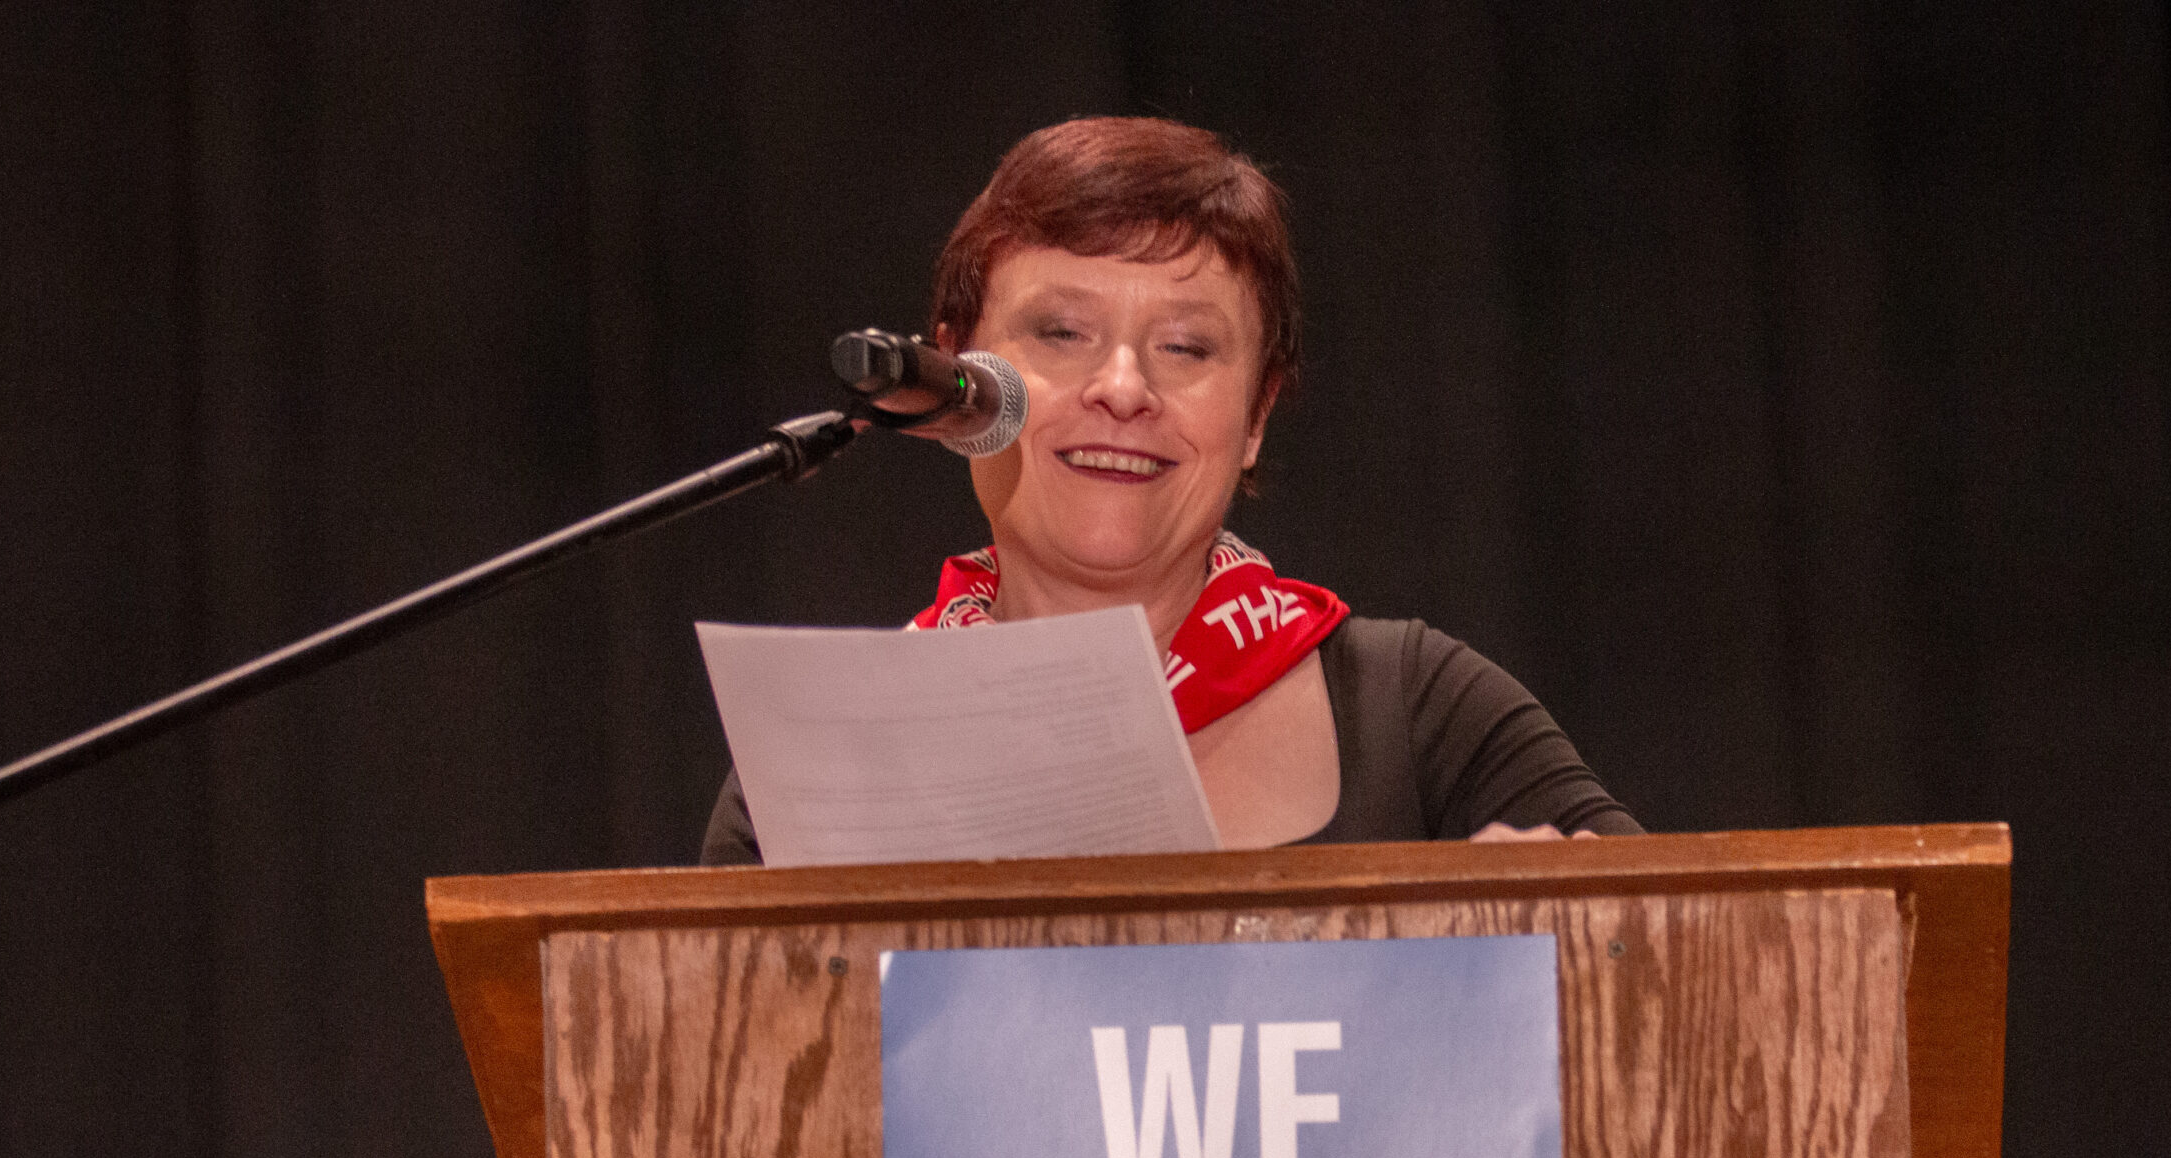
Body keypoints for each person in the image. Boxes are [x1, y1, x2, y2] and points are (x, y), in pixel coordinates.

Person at [701, 117, 1638, 864]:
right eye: (1061, 333)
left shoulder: (1422, 711)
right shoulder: (824, 753)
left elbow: (1689, 979)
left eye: (1185, 347)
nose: (1122, 387)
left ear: (1258, 413)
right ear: (949, 385)